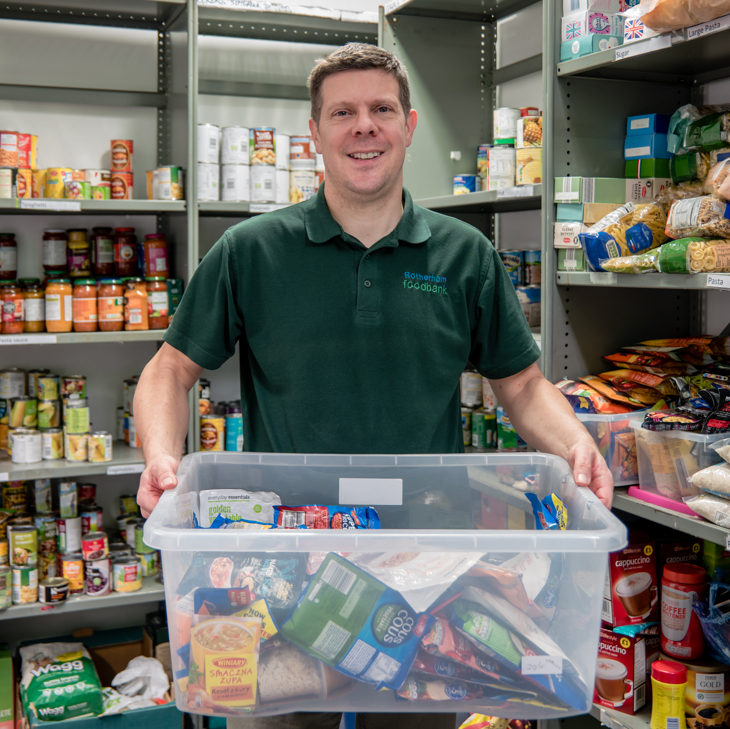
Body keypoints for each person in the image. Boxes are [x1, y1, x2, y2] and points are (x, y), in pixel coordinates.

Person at [135, 43, 613, 729]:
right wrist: (161, 456)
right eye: (344, 112)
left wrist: (577, 448)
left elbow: (522, 383)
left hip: (427, 565)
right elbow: (169, 368)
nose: (365, 126)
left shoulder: (463, 254)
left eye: (382, 109)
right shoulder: (251, 249)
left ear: (409, 126)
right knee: (275, 716)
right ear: (316, 134)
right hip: (283, 557)